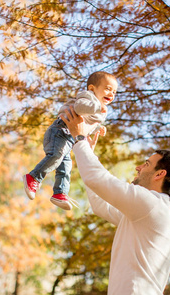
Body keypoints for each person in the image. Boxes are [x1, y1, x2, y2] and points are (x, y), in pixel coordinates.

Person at [60, 107, 170, 295]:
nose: (138, 167)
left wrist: (79, 139)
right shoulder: (147, 211)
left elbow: (98, 179)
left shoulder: (151, 204)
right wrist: (88, 154)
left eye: (146, 164)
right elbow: (100, 203)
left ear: (160, 174)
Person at [23, 71, 118, 210]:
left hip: (69, 138)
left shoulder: (102, 108)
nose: (111, 94)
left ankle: (60, 193)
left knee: (66, 166)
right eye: (108, 89)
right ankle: (33, 177)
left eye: (114, 92)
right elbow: (80, 107)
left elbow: (86, 124)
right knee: (56, 156)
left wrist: (98, 128)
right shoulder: (88, 97)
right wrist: (97, 107)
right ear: (92, 88)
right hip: (60, 130)